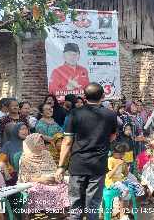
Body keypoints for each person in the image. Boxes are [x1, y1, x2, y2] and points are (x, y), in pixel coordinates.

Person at [55, 83, 117, 220]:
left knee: (75, 207)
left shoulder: (74, 113)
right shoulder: (110, 115)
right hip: (98, 164)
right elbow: (112, 137)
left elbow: (67, 142)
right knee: (92, 207)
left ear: (84, 97)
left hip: (78, 164)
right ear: (103, 96)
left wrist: (60, 167)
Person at [18, 133, 69, 217]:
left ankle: (61, 210)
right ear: (31, 144)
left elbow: (53, 169)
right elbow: (24, 177)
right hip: (34, 182)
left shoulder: (46, 153)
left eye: (42, 141)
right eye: (39, 142)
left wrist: (56, 176)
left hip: (50, 179)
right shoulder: (24, 158)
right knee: (42, 188)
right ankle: (49, 212)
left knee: (64, 185)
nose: (42, 143)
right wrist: (41, 180)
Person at [105, 143, 144, 220]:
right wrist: (117, 165)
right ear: (114, 152)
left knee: (139, 188)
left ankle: (129, 208)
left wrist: (125, 166)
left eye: (123, 154)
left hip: (121, 180)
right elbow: (108, 175)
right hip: (112, 182)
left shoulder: (122, 160)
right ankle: (122, 214)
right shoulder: (110, 160)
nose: (122, 156)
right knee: (125, 190)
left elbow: (125, 174)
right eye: (121, 154)